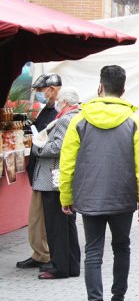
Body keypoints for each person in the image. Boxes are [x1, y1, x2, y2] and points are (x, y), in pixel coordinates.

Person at [59, 65, 139, 301]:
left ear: (100, 87)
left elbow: (67, 163)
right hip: (123, 195)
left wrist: (66, 195)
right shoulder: (135, 121)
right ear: (123, 89)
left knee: (93, 252)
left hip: (89, 196)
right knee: (122, 247)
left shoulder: (80, 119)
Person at [32, 86, 81, 280]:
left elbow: (58, 147)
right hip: (65, 177)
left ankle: (59, 267)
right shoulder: (78, 116)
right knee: (67, 224)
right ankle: (71, 265)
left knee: (56, 225)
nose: (58, 105)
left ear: (65, 102)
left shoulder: (65, 119)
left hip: (54, 178)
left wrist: (38, 147)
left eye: (60, 102)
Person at [16, 73, 61, 271]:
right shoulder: (47, 111)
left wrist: (37, 148)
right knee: (37, 219)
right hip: (39, 173)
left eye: (41, 90)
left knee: (44, 219)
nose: (39, 94)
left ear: (52, 90)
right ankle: (41, 253)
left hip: (49, 175)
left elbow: (55, 144)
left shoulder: (59, 113)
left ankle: (46, 255)